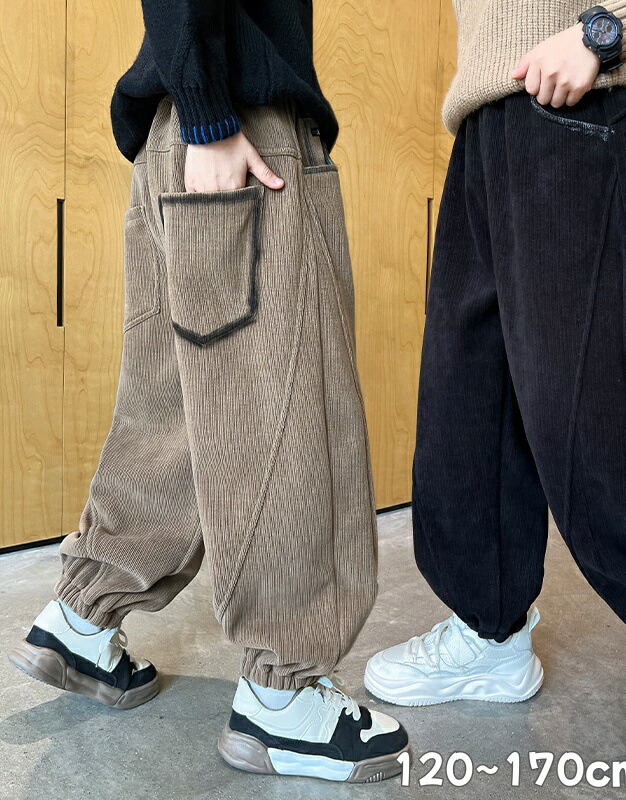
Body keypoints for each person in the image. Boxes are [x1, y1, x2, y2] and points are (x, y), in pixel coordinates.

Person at [9, 0, 408, 784]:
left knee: (178, 409)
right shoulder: (219, 119)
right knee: (290, 416)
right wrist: (211, 117)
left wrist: (195, 115)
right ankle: (285, 700)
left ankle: (83, 620)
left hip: (178, 136)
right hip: (236, 131)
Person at [364, 0, 626, 775]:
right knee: (470, 404)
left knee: (603, 407)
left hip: (576, 97)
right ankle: (490, 633)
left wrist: (611, 30)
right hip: (484, 120)